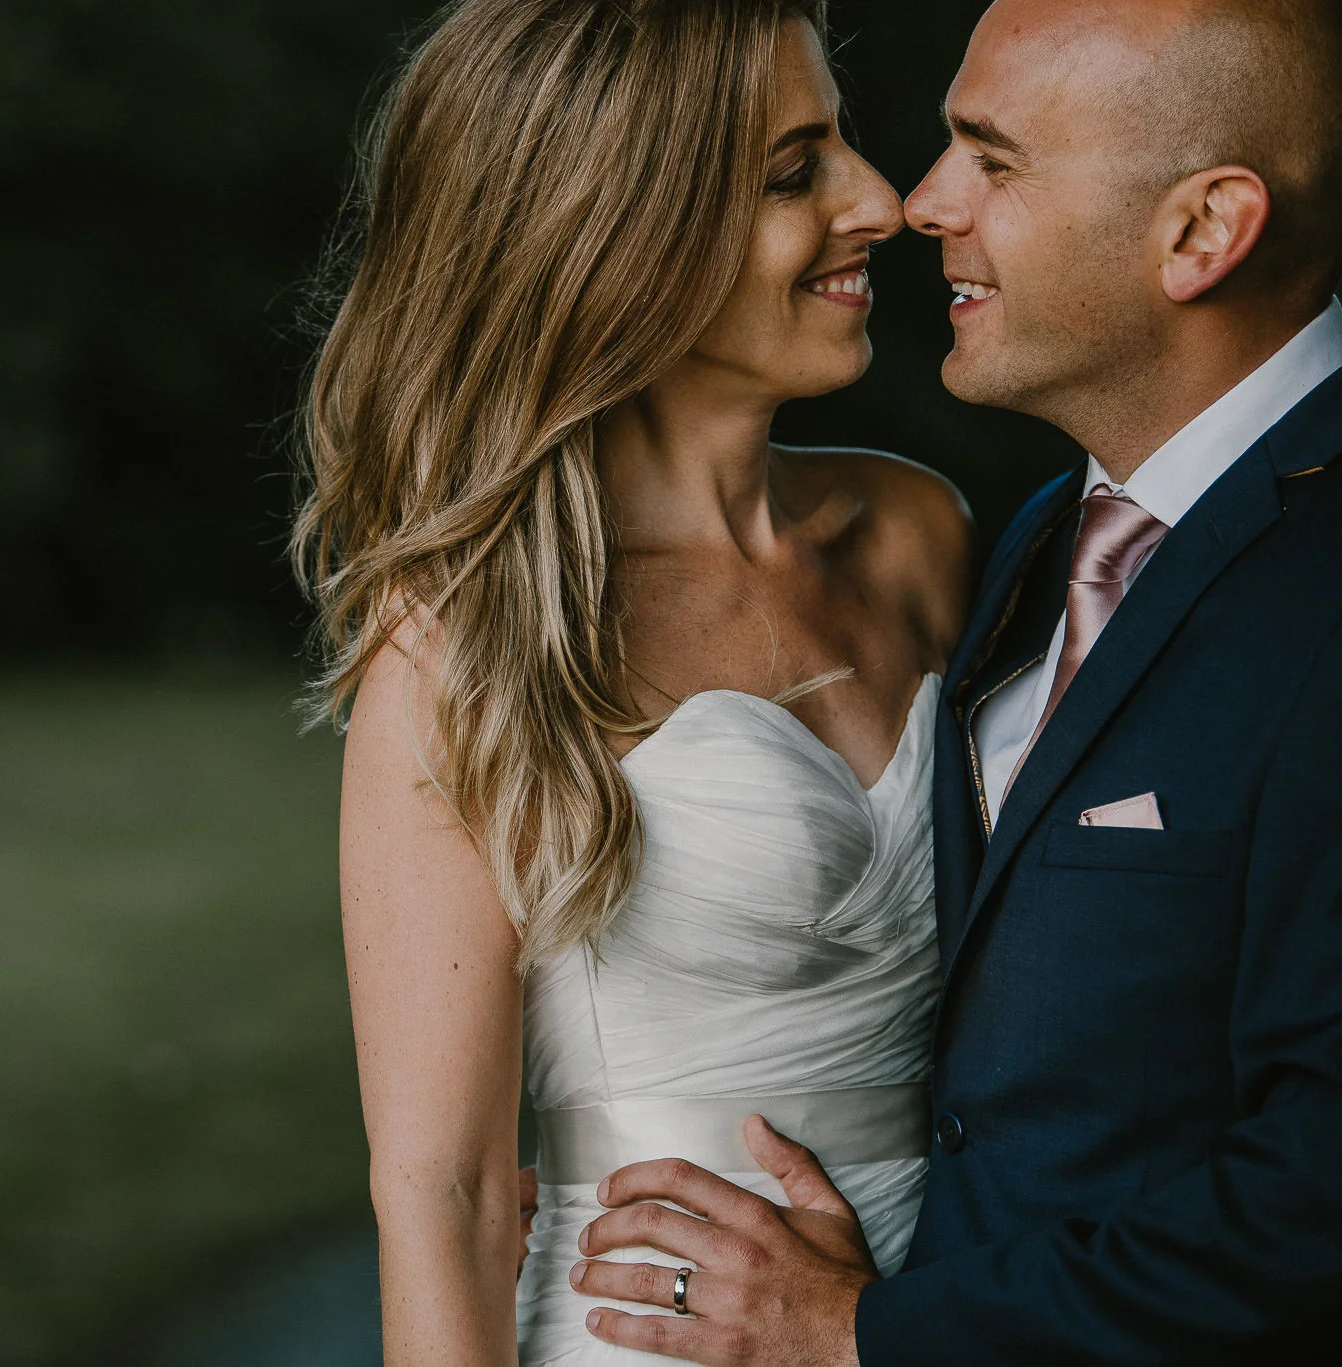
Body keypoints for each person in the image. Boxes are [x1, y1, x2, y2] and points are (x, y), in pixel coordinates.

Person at [566, 1, 1342, 1362]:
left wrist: (872, 1332)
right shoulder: (1048, 538)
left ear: (1201, 233)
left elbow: (1322, 1193)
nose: (921, 204)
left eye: (991, 160)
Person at [290, 1, 970, 1361]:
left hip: (950, 1318)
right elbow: (450, 1192)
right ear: (625, 237)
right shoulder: (468, 635)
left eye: (842, 148)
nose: (883, 203)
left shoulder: (918, 535)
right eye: (797, 171)